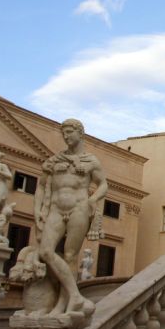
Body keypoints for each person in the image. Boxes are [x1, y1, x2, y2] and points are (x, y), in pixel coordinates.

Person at [34, 118, 107, 317]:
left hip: (79, 207)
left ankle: (62, 304)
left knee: (70, 256)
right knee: (46, 251)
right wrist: (38, 210)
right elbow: (41, 186)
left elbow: (103, 184)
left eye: (69, 132)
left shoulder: (91, 161)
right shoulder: (54, 161)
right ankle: (75, 295)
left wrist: (94, 200)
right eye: (63, 133)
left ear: (80, 133)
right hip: (56, 208)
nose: (66, 136)